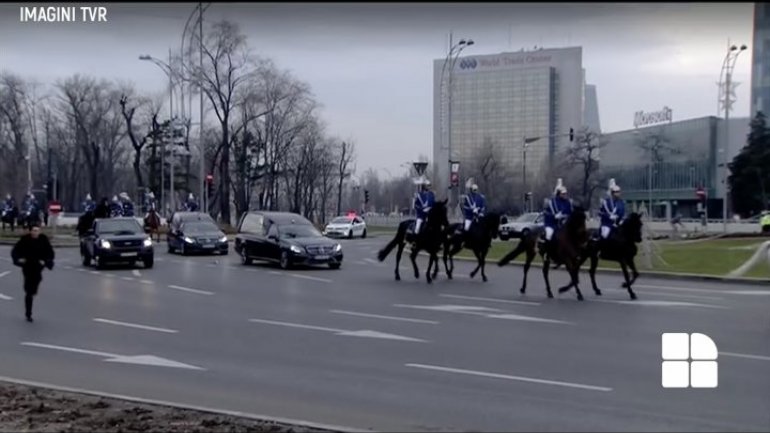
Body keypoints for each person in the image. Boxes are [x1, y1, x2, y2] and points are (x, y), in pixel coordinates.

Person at [11, 223, 55, 322]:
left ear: (39, 231)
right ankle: (28, 313)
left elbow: (50, 252)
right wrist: (18, 259)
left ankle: (31, 292)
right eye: (34, 230)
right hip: (28, 266)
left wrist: (46, 261)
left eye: (37, 230)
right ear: (31, 231)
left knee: (36, 282)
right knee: (29, 290)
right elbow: (15, 251)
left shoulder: (43, 240)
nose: (35, 232)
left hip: (38, 267)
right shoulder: (25, 240)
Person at [542, 178, 573, 242]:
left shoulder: (568, 202)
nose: (565, 195)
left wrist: (567, 217)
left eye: (565, 193)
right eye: (563, 194)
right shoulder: (552, 202)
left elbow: (569, 212)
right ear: (559, 194)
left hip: (563, 224)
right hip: (551, 224)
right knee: (549, 235)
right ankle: (547, 249)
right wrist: (554, 216)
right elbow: (547, 213)